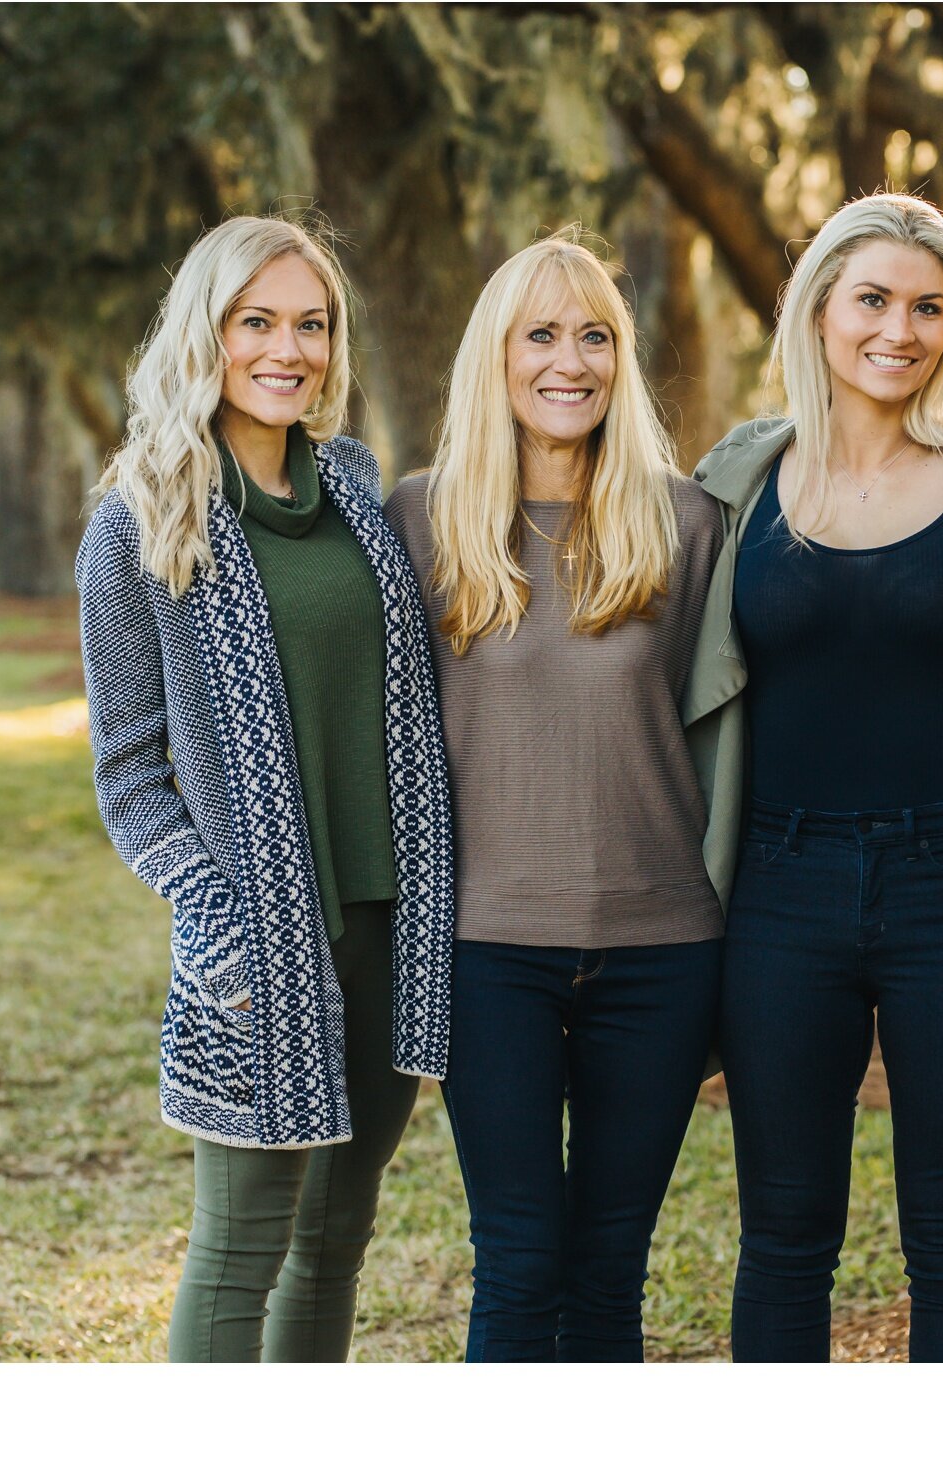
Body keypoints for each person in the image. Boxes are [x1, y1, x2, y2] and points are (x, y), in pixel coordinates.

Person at [76, 214, 453, 1363]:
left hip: (392, 928)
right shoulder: (141, 519)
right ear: (208, 333)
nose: (287, 349)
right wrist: (215, 909)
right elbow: (129, 773)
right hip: (259, 945)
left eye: (312, 323)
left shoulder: (351, 491)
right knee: (239, 1249)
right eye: (257, 322)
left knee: (335, 1243)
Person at [683, 194, 943, 1363]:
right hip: (776, 887)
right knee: (783, 1236)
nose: (899, 328)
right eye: (871, 299)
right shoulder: (732, 482)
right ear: (818, 310)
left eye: (928, 306)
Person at [383, 229, 725, 1363]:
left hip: (661, 944)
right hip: (487, 948)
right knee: (521, 1257)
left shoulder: (685, 525)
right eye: (540, 335)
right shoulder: (421, 521)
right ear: (497, 356)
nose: (568, 361)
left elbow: (709, 727)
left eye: (594, 337)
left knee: (610, 1265)